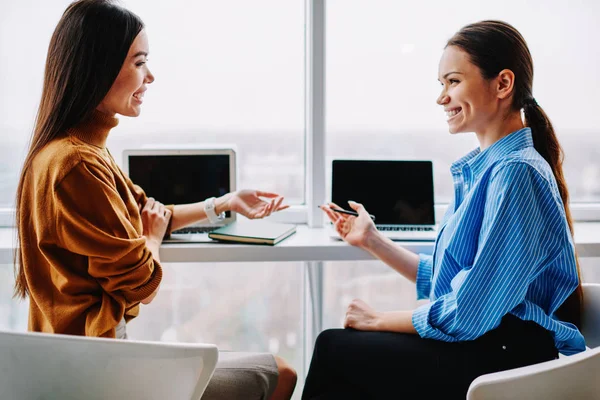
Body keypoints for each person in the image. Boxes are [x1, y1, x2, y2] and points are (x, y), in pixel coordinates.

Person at [13, 1, 296, 399]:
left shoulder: (75, 152)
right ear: (98, 68)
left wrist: (225, 202)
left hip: (86, 358)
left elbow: (151, 214)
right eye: (139, 63)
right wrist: (150, 241)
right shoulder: (77, 164)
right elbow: (143, 281)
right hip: (98, 371)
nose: (151, 77)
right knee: (280, 373)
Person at [302, 20, 586, 400]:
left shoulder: (516, 174)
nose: (442, 98)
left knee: (334, 350)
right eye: (442, 84)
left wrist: (380, 321)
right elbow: (448, 277)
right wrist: (372, 240)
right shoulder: (488, 170)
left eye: (453, 82)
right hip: (489, 343)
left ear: (503, 84)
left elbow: (470, 310)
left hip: (506, 358)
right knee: (341, 348)